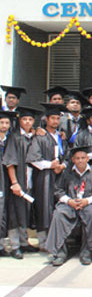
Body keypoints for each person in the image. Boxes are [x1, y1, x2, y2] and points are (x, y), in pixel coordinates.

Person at [46, 146, 92, 266]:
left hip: (88, 204)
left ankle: (86, 252)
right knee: (59, 214)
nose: (80, 161)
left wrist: (87, 201)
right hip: (70, 204)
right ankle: (60, 252)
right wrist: (69, 201)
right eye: (77, 158)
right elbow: (58, 190)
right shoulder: (66, 173)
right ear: (73, 159)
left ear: (87, 158)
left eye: (83, 158)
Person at [26, 103, 68, 251]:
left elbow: (67, 156)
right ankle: (44, 242)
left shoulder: (60, 137)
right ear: (46, 119)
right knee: (43, 207)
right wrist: (51, 165)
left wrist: (62, 166)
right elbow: (33, 159)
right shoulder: (40, 137)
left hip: (59, 177)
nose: (55, 121)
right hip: (43, 177)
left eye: (57, 118)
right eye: (53, 118)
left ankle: (57, 239)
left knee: (57, 206)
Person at [2, 107, 41, 259]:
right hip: (19, 180)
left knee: (25, 211)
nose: (27, 122)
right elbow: (10, 162)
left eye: (30, 119)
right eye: (24, 119)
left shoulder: (35, 137)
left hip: (30, 180)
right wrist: (14, 183)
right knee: (15, 212)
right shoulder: (15, 137)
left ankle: (24, 242)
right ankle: (15, 245)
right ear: (19, 121)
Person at [0, 110, 14, 256]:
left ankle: (1, 245)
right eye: (2, 122)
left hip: (6, 179)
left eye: (7, 123)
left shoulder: (10, 140)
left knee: (3, 212)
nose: (4, 125)